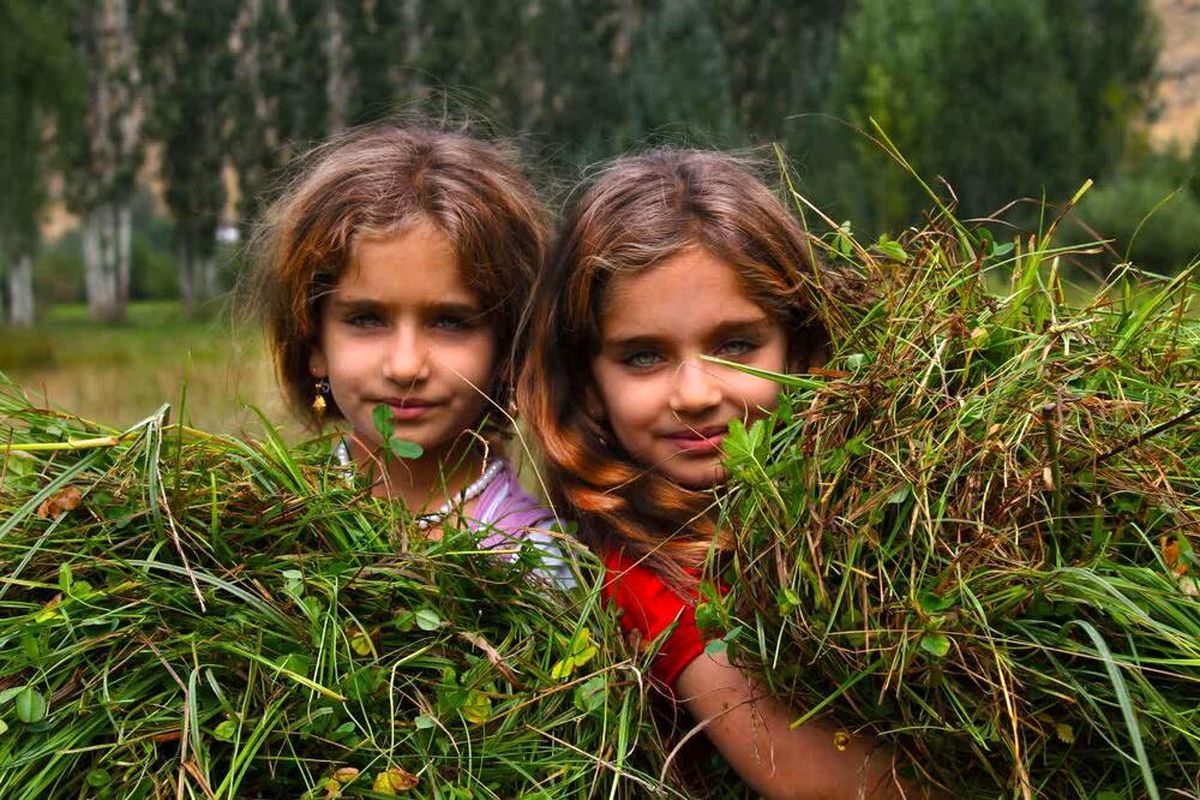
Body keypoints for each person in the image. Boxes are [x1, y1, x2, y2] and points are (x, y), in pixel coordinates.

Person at [518, 149, 931, 797]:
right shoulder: (648, 578)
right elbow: (822, 786)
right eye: (644, 356)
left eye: (736, 344)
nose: (695, 393)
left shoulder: (854, 501)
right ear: (590, 386)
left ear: (798, 347)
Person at [253, 121, 573, 587]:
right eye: (366, 319)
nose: (405, 366)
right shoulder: (260, 520)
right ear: (313, 344)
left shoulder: (539, 563)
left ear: (509, 349)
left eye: (450, 322)